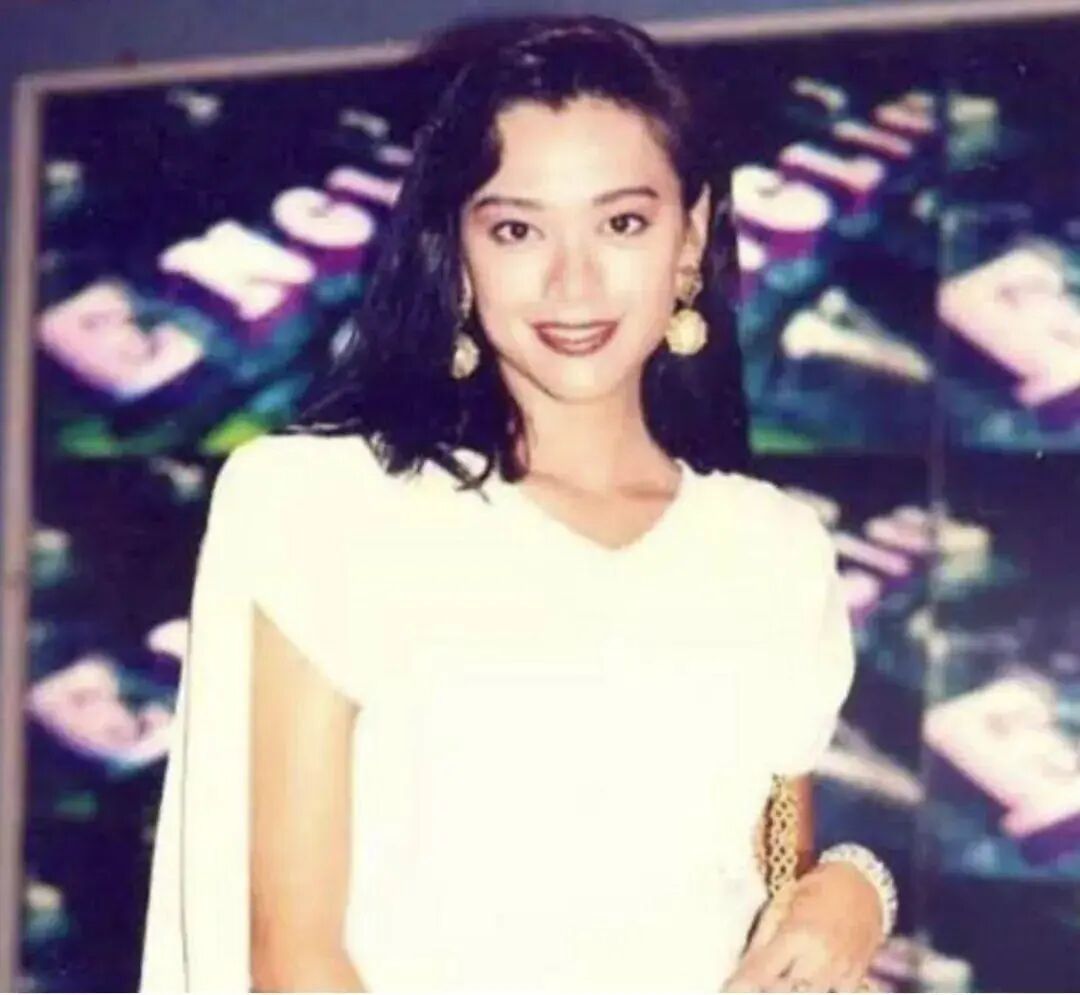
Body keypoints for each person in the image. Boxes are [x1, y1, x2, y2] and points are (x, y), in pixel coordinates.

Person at [140, 15, 896, 993]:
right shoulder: (321, 507)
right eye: (516, 229)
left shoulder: (770, 544)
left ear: (691, 238)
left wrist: (853, 888)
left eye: (622, 223)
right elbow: (293, 956)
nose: (572, 280)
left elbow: (775, 878)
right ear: (456, 252)